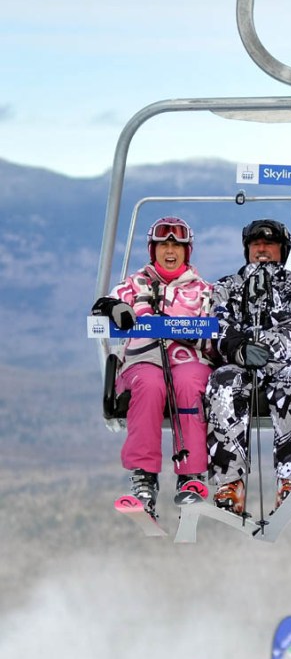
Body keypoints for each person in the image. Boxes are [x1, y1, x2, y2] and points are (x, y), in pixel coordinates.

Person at [205, 176, 291, 513]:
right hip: (245, 362)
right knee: (221, 382)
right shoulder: (228, 285)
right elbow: (213, 328)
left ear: (284, 249)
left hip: (290, 361)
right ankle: (229, 483)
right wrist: (236, 348)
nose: (262, 249)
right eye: (255, 244)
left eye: (270, 244)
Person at [92, 216, 214, 518]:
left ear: (187, 251)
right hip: (143, 360)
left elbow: (214, 335)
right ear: (153, 250)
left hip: (188, 361)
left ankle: (190, 475)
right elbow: (103, 304)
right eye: (163, 245)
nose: (169, 251)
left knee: (188, 385)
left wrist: (184, 331)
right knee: (150, 385)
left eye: (177, 245)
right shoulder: (138, 283)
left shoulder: (203, 290)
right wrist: (116, 308)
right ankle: (144, 478)